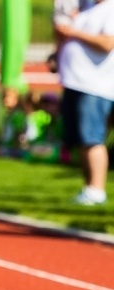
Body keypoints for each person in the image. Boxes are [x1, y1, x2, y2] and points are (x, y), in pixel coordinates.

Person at [54, 0, 114, 205]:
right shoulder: (87, 7)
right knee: (81, 140)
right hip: (75, 82)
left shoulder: (110, 8)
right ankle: (89, 189)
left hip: (94, 86)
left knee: (92, 138)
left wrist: (74, 32)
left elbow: (108, 43)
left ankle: (97, 189)